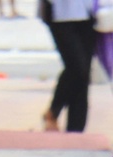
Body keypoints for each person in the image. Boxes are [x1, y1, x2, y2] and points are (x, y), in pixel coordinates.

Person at [39, 0, 96, 133]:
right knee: (77, 68)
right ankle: (53, 111)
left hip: (90, 12)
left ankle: (76, 131)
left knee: (83, 74)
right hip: (60, 14)